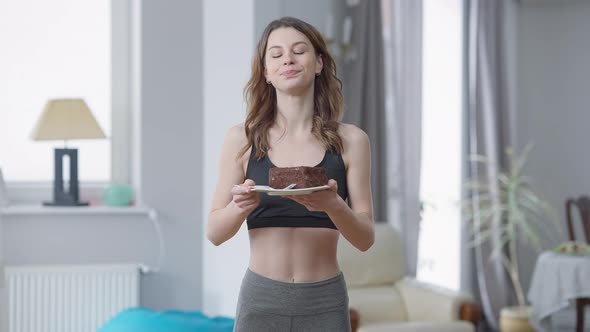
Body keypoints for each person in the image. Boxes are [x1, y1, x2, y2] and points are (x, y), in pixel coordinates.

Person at [207, 16, 375, 332]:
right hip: (261, 298)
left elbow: (365, 239)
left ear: (318, 64)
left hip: (325, 299)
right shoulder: (240, 139)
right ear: (267, 72)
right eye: (276, 54)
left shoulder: (352, 140)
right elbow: (214, 232)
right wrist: (238, 207)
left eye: (299, 51)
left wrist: (334, 206)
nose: (288, 59)